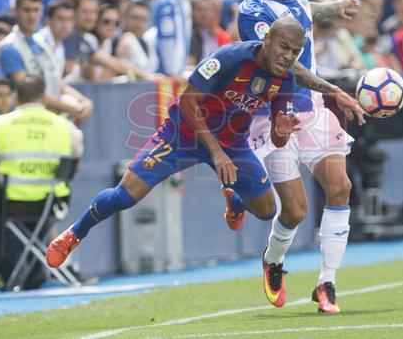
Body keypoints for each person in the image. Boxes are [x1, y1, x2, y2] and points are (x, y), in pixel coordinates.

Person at [46, 18, 305, 272]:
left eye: (295, 51)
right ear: (267, 39)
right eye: (284, 46)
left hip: (232, 145)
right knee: (125, 195)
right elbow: (187, 102)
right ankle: (75, 233)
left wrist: (280, 132)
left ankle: (235, 201)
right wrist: (216, 152)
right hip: (182, 135)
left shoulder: (286, 80)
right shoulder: (231, 57)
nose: (288, 56)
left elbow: (277, 136)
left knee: (266, 210)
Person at [232, 0, 365, 314]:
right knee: (294, 211)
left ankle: (327, 283)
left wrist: (336, 7)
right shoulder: (252, 13)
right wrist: (335, 90)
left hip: (311, 107)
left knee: (340, 186)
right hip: (274, 114)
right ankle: (273, 261)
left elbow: (307, 9)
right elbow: (289, 65)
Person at [0, 75, 83, 288]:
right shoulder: (67, 128)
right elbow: (74, 168)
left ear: (16, 97)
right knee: (26, 225)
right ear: (44, 97)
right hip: (52, 206)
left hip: (10, 204)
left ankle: (3, 265)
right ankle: (26, 269)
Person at [0, 0, 93, 124]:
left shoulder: (43, 43)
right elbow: (30, 92)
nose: (31, 16)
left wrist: (83, 101)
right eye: (26, 10)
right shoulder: (9, 47)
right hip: (25, 120)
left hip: (50, 116)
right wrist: (71, 108)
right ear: (15, 11)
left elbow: (57, 83)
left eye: (36, 10)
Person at [152, 0, 192, 79]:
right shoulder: (166, 3)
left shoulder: (184, 0)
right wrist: (172, 70)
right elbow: (166, 39)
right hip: (168, 70)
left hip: (180, 66)